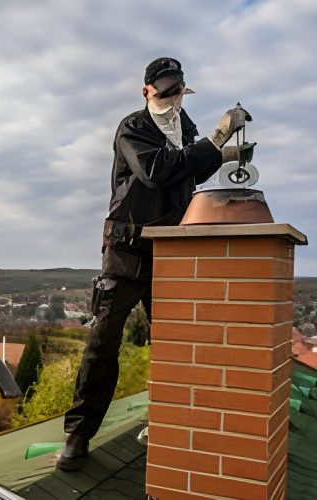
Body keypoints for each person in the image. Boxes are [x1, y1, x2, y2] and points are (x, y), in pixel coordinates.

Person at [57, 57, 250, 471]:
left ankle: (169, 421)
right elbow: (156, 171)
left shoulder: (187, 130)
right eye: (164, 91)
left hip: (170, 252)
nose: (172, 98)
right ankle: (78, 435)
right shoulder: (133, 128)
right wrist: (219, 138)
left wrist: (228, 152)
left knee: (176, 343)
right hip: (126, 254)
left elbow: (188, 172)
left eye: (177, 91)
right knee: (103, 344)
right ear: (146, 91)